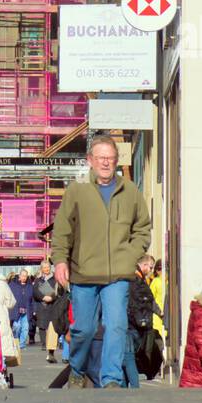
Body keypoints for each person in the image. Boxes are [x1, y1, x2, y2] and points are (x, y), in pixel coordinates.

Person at [49, 135, 152, 389]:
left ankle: (111, 379)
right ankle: (77, 369)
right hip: (84, 273)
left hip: (118, 274)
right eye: (101, 158)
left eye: (110, 158)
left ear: (117, 160)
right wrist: (60, 260)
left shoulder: (130, 192)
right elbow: (62, 230)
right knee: (83, 329)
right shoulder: (77, 190)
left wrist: (130, 256)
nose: (106, 163)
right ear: (90, 160)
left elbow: (143, 228)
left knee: (116, 325)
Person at [127, 254, 160, 386]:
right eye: (150, 267)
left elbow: (149, 300)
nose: (151, 271)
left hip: (135, 323)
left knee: (131, 354)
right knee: (130, 355)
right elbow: (144, 301)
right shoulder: (136, 280)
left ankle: (127, 384)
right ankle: (134, 385)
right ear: (144, 265)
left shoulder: (139, 279)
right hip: (134, 324)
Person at [10, 269, 34, 353]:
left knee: (25, 328)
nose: (24, 277)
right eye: (23, 276)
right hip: (16, 310)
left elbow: (32, 299)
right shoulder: (13, 285)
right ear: (19, 276)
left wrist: (34, 309)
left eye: (26, 276)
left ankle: (22, 344)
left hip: (26, 310)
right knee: (17, 327)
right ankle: (16, 341)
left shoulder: (30, 286)